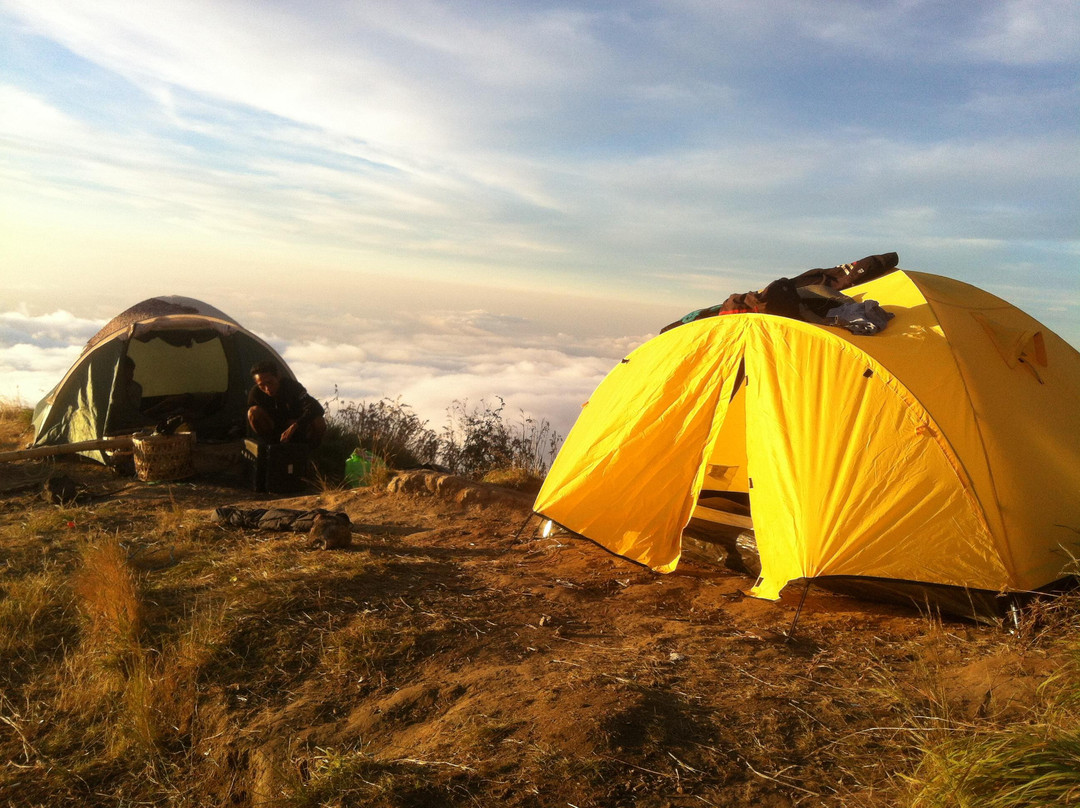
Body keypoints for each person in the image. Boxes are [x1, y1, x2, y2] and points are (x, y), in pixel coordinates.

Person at [246, 360, 326, 446]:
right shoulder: (255, 394)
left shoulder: (293, 387)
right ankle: (268, 448)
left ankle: (308, 452)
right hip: (273, 429)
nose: (267, 388)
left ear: (278, 377)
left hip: (296, 429)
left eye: (270, 382)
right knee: (253, 412)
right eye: (262, 385)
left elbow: (316, 408)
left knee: (319, 422)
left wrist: (296, 424)